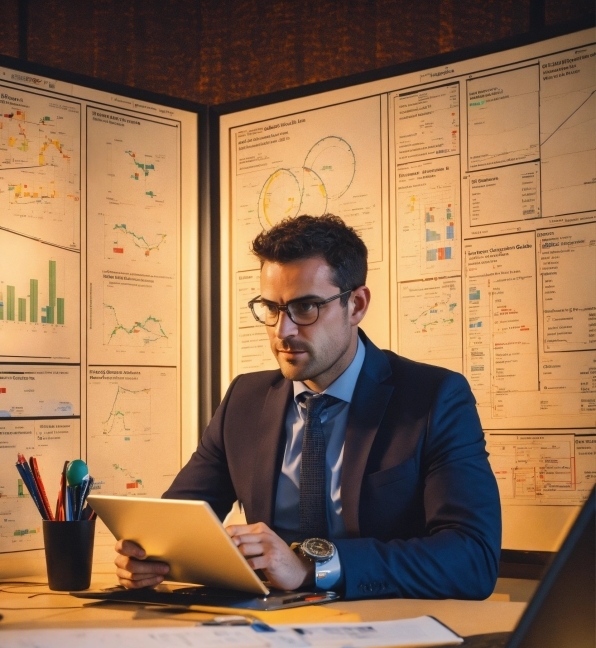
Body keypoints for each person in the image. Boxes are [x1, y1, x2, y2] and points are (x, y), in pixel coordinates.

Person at [115, 214, 501, 599]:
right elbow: (178, 522)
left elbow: (472, 558)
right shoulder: (244, 400)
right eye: (272, 308)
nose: (283, 331)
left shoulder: (433, 397)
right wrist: (147, 556)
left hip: (381, 630)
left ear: (357, 305)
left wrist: (312, 566)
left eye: (306, 308)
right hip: (263, 626)